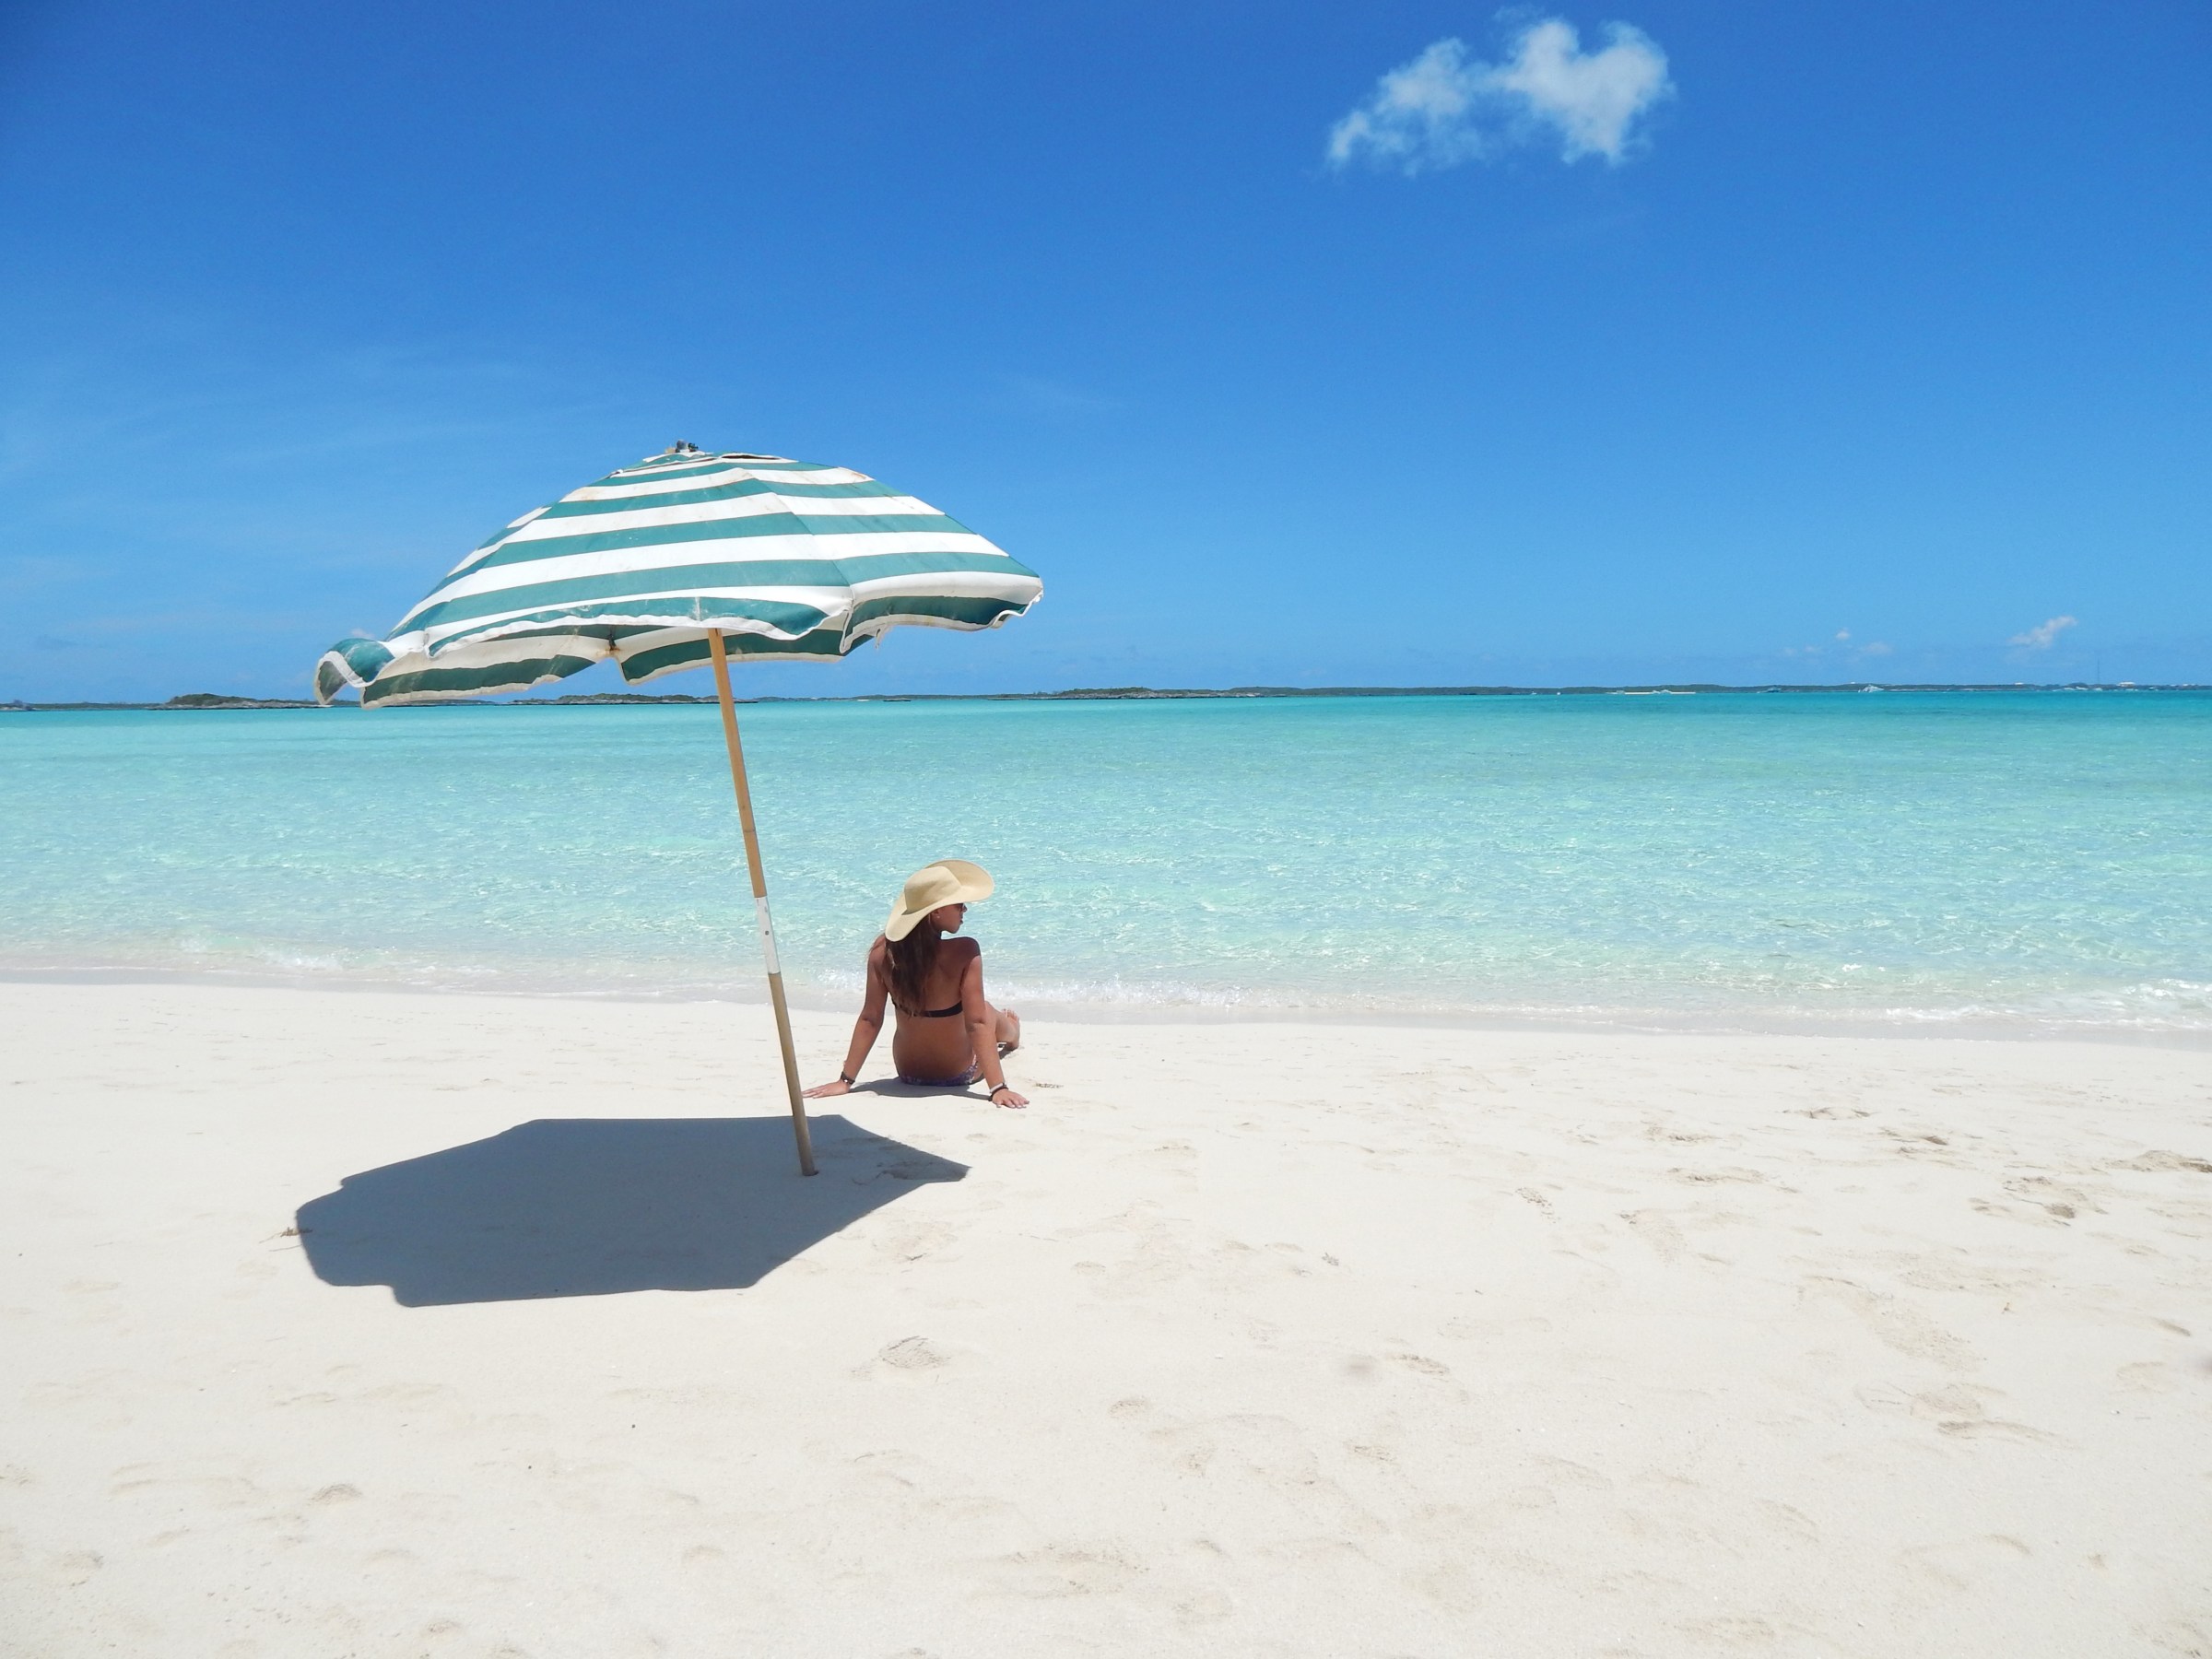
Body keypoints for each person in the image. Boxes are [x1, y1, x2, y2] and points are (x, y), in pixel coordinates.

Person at [803, 859, 1028, 1108]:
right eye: (958, 904)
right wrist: (998, 1088)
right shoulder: (965, 951)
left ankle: (1010, 1032)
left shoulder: (883, 952)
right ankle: (1013, 1035)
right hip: (957, 1074)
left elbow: (870, 1018)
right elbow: (976, 1024)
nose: (965, 909)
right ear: (937, 911)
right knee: (985, 1011)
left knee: (978, 1012)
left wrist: (845, 1081)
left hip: (908, 1072)